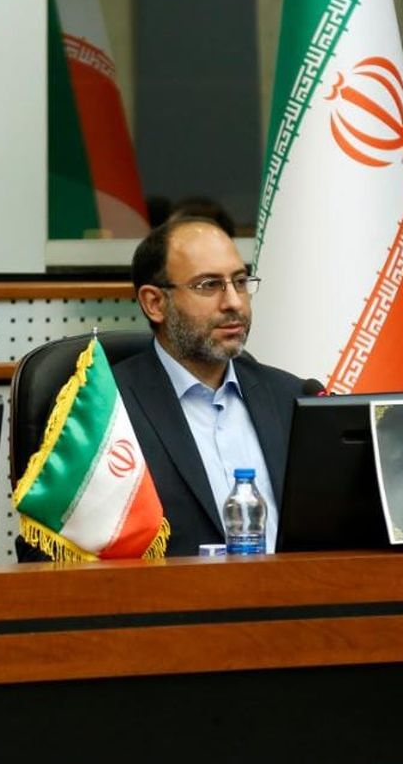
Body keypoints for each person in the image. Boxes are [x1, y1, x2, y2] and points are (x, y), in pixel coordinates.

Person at [110, 214, 304, 555]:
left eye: (240, 282)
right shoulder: (107, 408)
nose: (233, 302)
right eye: (208, 285)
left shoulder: (292, 398)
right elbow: (50, 554)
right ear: (154, 303)